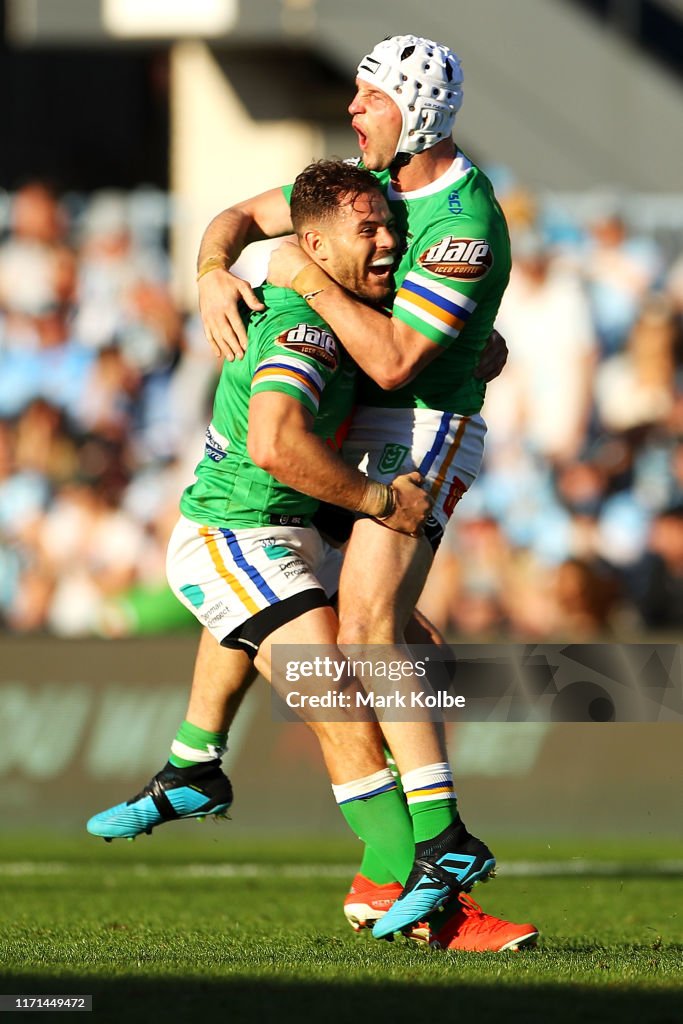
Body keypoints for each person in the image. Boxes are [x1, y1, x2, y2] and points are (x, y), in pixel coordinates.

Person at [88, 160, 538, 953]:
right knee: (335, 684)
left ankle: (196, 766)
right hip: (239, 534)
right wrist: (377, 503)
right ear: (311, 245)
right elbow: (272, 444)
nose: (389, 242)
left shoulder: (356, 295)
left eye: (392, 228)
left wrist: (473, 345)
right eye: (368, 230)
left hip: (300, 537)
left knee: (414, 656)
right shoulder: (300, 321)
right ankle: (423, 888)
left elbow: (405, 340)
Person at [196, 34, 518, 941]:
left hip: (425, 431)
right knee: (365, 634)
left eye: (367, 98)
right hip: (363, 433)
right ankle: (397, 867)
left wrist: (302, 272)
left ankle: (437, 842)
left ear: (412, 114)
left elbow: (392, 363)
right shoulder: (363, 189)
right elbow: (238, 215)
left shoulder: (461, 222)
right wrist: (213, 270)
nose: (352, 110)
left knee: (372, 625)